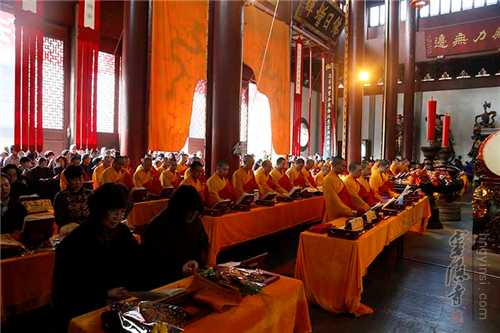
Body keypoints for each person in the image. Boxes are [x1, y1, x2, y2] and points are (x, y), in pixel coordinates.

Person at [52, 183, 142, 332]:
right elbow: (67, 287)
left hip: (123, 303)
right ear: (100, 209)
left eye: (122, 213)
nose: (118, 218)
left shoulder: (123, 232)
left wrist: (129, 289)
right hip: (87, 308)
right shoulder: (76, 241)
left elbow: (138, 263)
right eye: (113, 212)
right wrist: (103, 294)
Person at [142, 186, 209, 289]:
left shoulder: (195, 221)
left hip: (191, 277)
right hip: (165, 283)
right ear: (178, 210)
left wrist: (196, 261)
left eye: (195, 214)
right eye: (189, 214)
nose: (191, 218)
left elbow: (203, 244)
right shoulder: (157, 226)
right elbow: (151, 263)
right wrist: (179, 270)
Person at [323, 157, 363, 222]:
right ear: (335, 165)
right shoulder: (328, 179)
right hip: (336, 214)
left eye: (344, 166)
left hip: (345, 212)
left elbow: (348, 197)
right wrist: (350, 212)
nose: (344, 168)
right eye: (342, 166)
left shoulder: (338, 179)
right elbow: (334, 201)